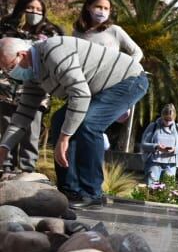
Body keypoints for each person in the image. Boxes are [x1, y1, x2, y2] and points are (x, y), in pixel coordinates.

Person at [0, 36, 148, 208]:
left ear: (23, 55)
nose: (9, 73)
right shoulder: (34, 75)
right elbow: (24, 114)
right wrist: (4, 147)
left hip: (128, 79)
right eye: (4, 70)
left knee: (88, 123)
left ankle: (91, 193)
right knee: (59, 120)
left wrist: (65, 138)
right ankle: (69, 190)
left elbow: (80, 94)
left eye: (10, 67)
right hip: (96, 89)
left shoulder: (54, 52)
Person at [0, 0, 63, 176]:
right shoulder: (5, 27)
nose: (34, 12)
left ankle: (27, 170)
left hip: (37, 91)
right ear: (21, 8)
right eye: (30, 8)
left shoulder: (51, 33)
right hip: (5, 88)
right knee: (6, 129)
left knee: (31, 131)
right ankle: (6, 168)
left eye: (38, 9)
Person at [72, 0, 143, 61]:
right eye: (98, 7)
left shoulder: (114, 30)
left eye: (106, 8)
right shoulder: (77, 32)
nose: (102, 11)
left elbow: (137, 52)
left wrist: (124, 69)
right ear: (88, 7)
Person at [140, 103, 178, 185]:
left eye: (170, 120)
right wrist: (156, 147)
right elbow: (143, 144)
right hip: (154, 162)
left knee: (167, 190)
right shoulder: (153, 126)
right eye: (166, 119)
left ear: (174, 118)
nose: (168, 122)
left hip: (171, 164)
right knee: (151, 187)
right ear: (162, 116)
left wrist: (174, 149)